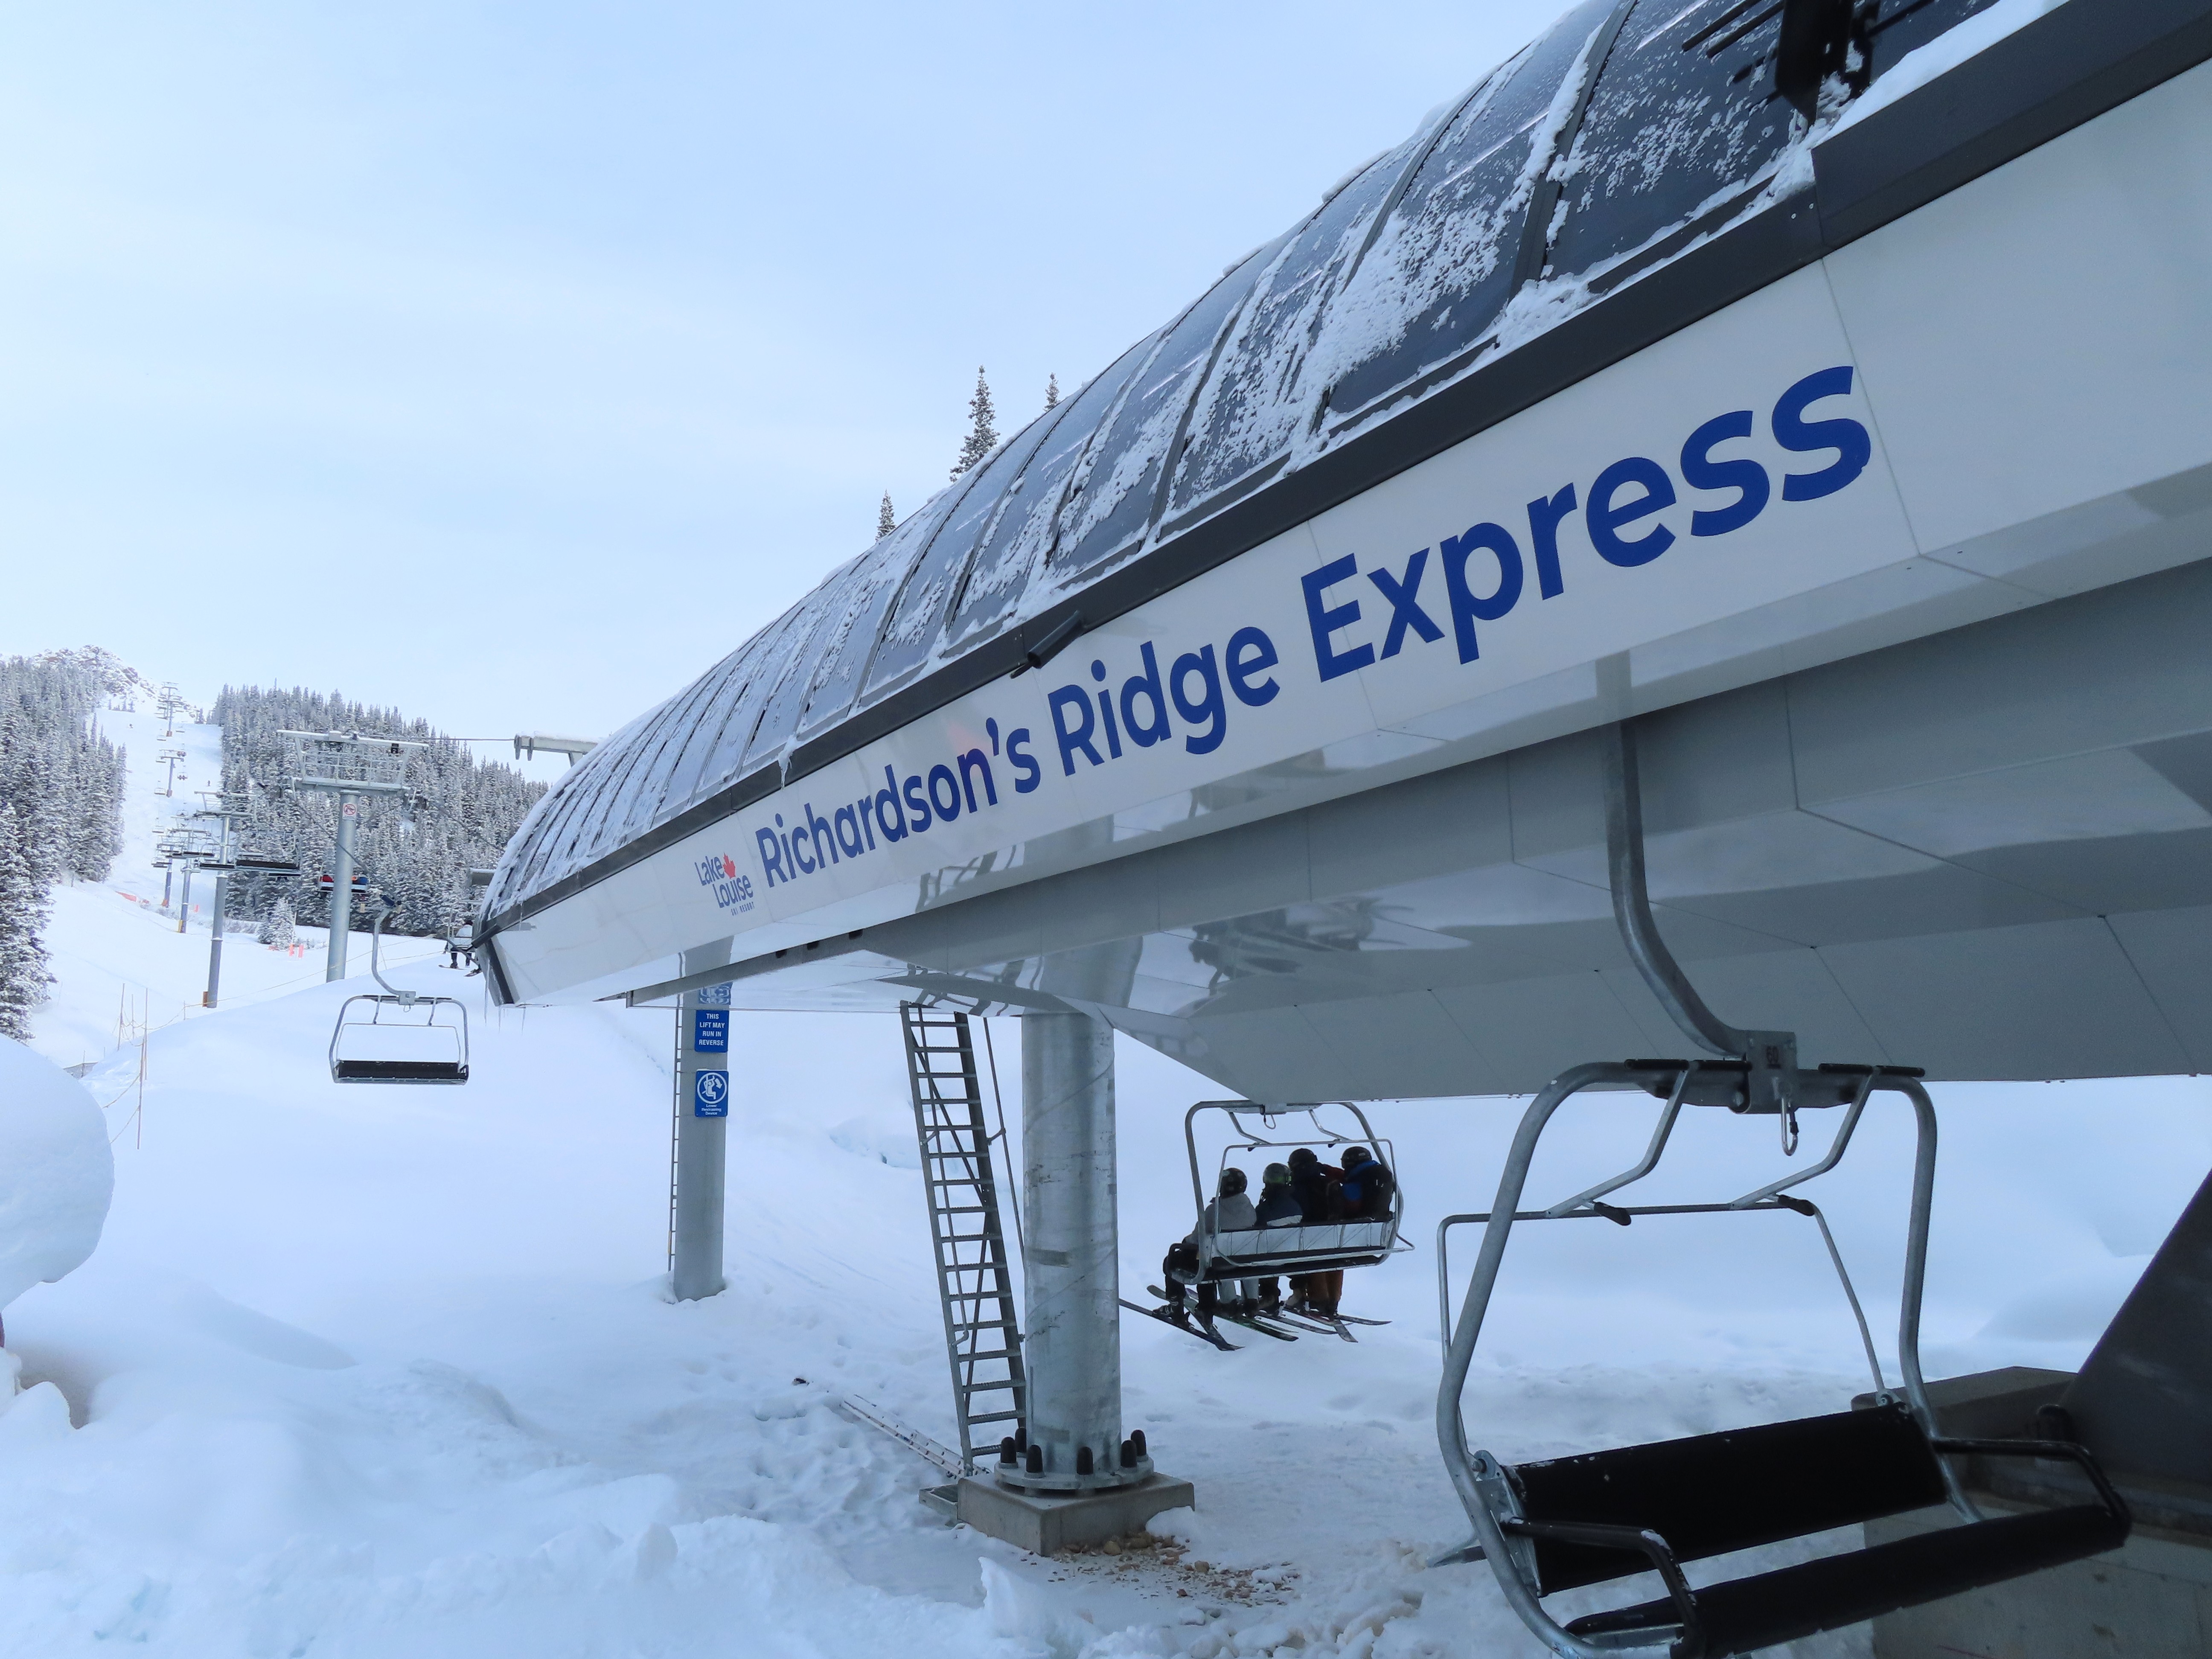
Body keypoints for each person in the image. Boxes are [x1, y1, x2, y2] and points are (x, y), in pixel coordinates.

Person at [1164, 1167, 1257, 1319]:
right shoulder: (1251, 1211)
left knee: (1173, 1260)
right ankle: (1229, 1304)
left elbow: (1197, 1239)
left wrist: (1186, 1242)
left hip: (1219, 1263)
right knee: (1206, 1257)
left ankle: (1181, 1306)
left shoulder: (1214, 1212)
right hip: (1243, 1261)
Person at [1284, 1147, 1345, 1319]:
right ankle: (1333, 1300)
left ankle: (1314, 1299)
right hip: (1338, 1238)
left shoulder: (1295, 1188)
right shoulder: (1330, 1183)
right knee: (1334, 1260)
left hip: (1308, 1239)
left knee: (1302, 1255)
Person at [1251, 1162, 1302, 1314]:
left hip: (1268, 1259)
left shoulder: (1264, 1208)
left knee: (1266, 1252)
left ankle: (1268, 1296)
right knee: (1276, 1249)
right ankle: (1277, 1297)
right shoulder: (1296, 1206)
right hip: (1293, 1256)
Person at [1338, 1144, 1395, 1220]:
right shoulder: (1370, 1174)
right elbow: (1347, 1178)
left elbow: (1348, 1190)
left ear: (1351, 1163)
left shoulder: (1358, 1182)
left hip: (1358, 1220)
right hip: (1379, 1218)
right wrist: (1325, 1169)